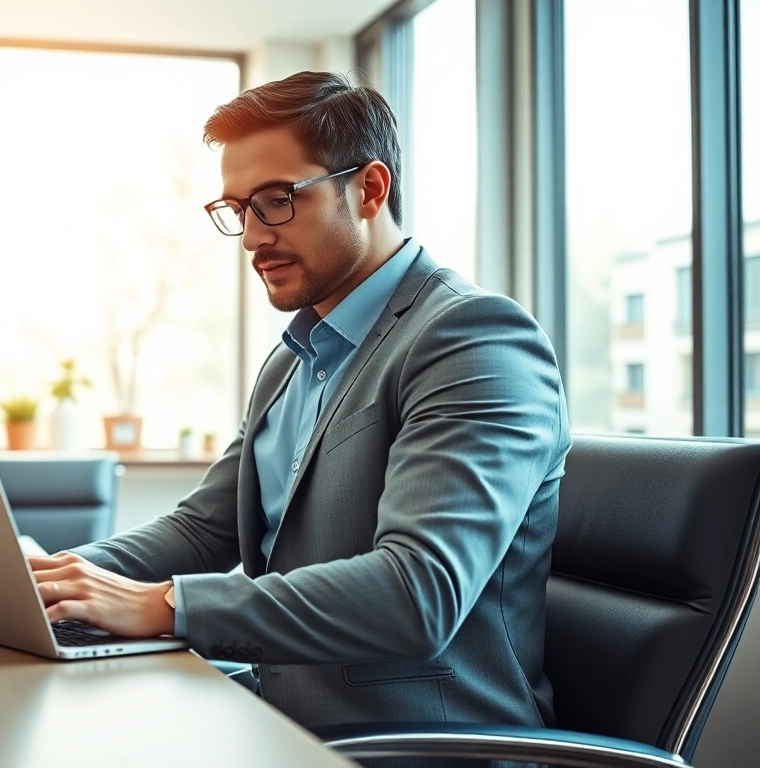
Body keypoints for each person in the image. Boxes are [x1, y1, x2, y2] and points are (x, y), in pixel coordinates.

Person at [28, 71, 569, 735]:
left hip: (419, 741)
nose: (254, 238)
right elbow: (206, 528)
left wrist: (166, 604)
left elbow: (416, 593)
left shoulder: (472, 339)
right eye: (238, 210)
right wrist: (58, 581)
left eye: (277, 200)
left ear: (369, 189)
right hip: (282, 716)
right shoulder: (294, 356)